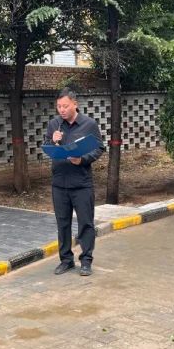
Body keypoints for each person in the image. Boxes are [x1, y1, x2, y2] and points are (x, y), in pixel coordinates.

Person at [45, 87, 105, 276]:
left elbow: (99, 148)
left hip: (81, 184)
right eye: (59, 106)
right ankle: (66, 260)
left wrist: (83, 159)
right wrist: (52, 141)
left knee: (85, 223)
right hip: (59, 183)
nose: (61, 110)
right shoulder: (54, 124)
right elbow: (47, 147)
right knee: (62, 223)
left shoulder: (89, 124)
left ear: (75, 104)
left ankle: (86, 261)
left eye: (65, 106)